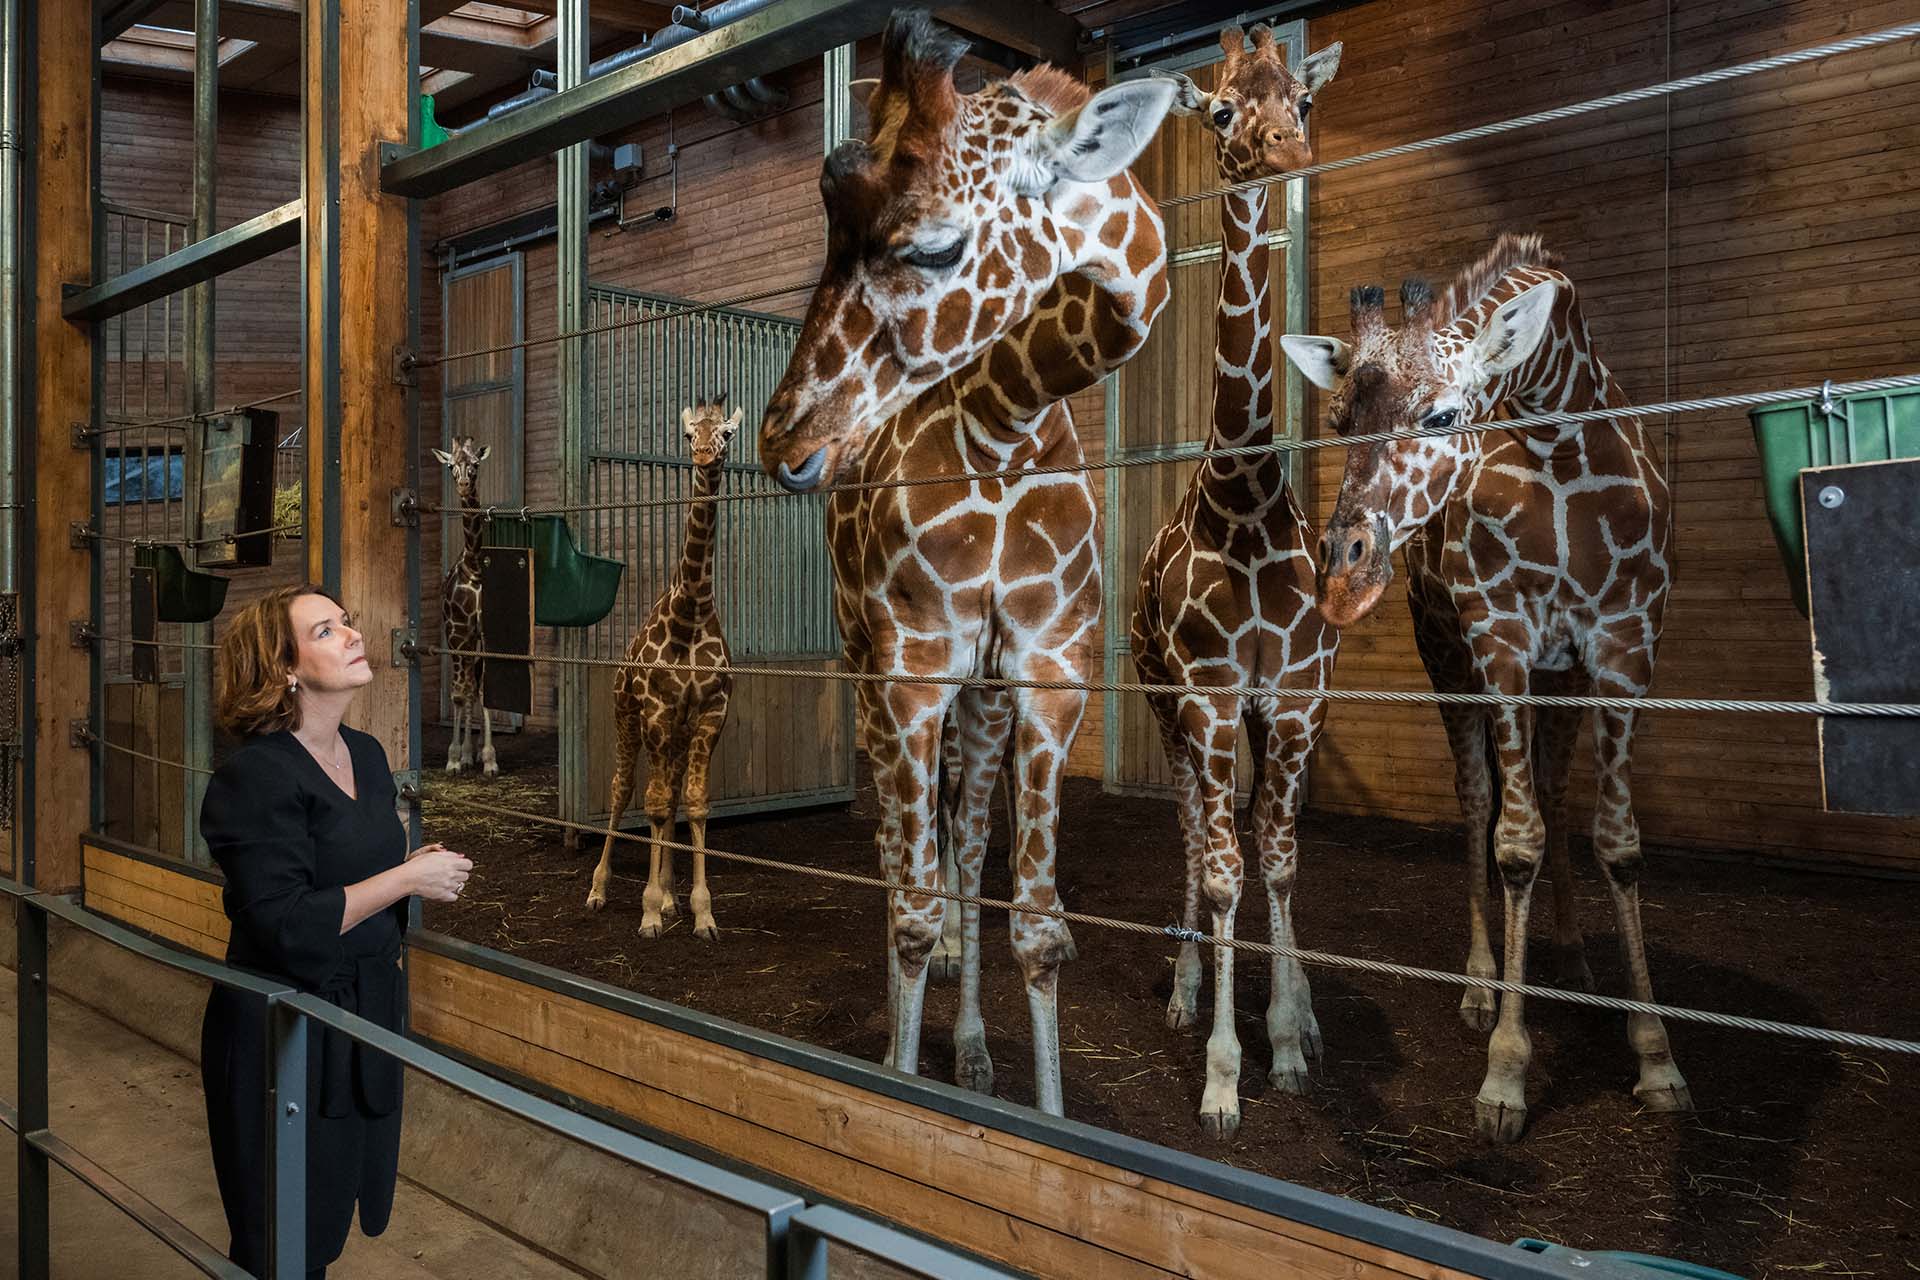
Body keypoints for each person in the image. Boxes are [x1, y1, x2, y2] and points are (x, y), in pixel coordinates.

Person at [199, 583, 472, 1278]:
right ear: (284, 667)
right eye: (325, 630)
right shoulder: (251, 777)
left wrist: (408, 867)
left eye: (347, 621)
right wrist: (405, 882)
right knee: (280, 1240)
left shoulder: (368, 755)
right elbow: (285, 921)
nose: (353, 634)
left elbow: (350, 872)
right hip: (284, 1032)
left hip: (360, 1020)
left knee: (326, 1227)